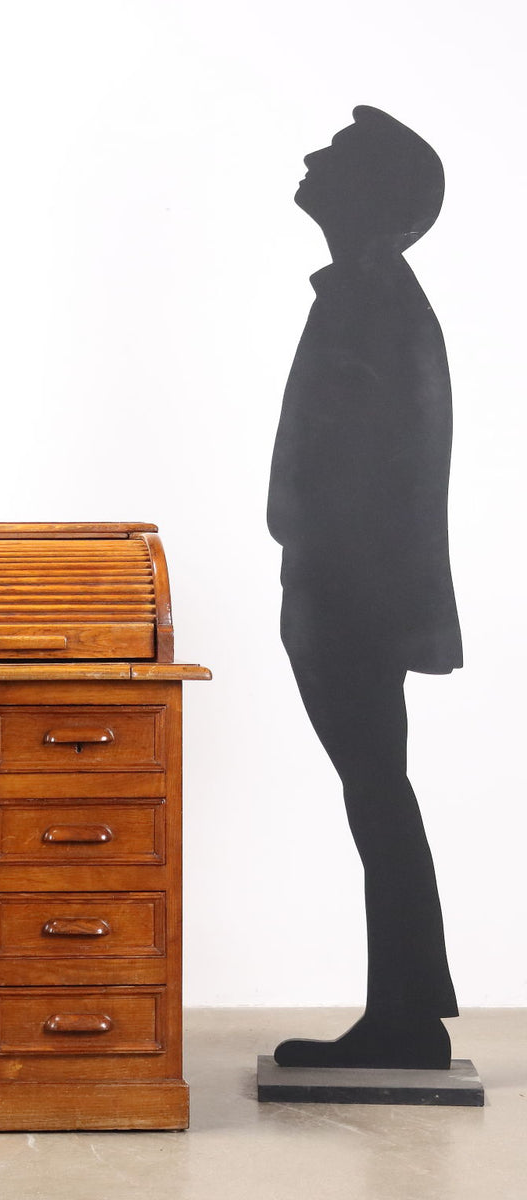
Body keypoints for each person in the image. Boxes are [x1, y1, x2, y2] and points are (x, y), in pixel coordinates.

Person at [267, 106, 461, 1069]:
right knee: (378, 792)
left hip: (352, 598)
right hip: (348, 592)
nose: (313, 157)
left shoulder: (373, 301)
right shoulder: (367, 294)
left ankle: (407, 1018)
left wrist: (323, 572)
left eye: (338, 154)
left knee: (378, 792)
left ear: (372, 192)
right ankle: (408, 1010)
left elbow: (382, 471)